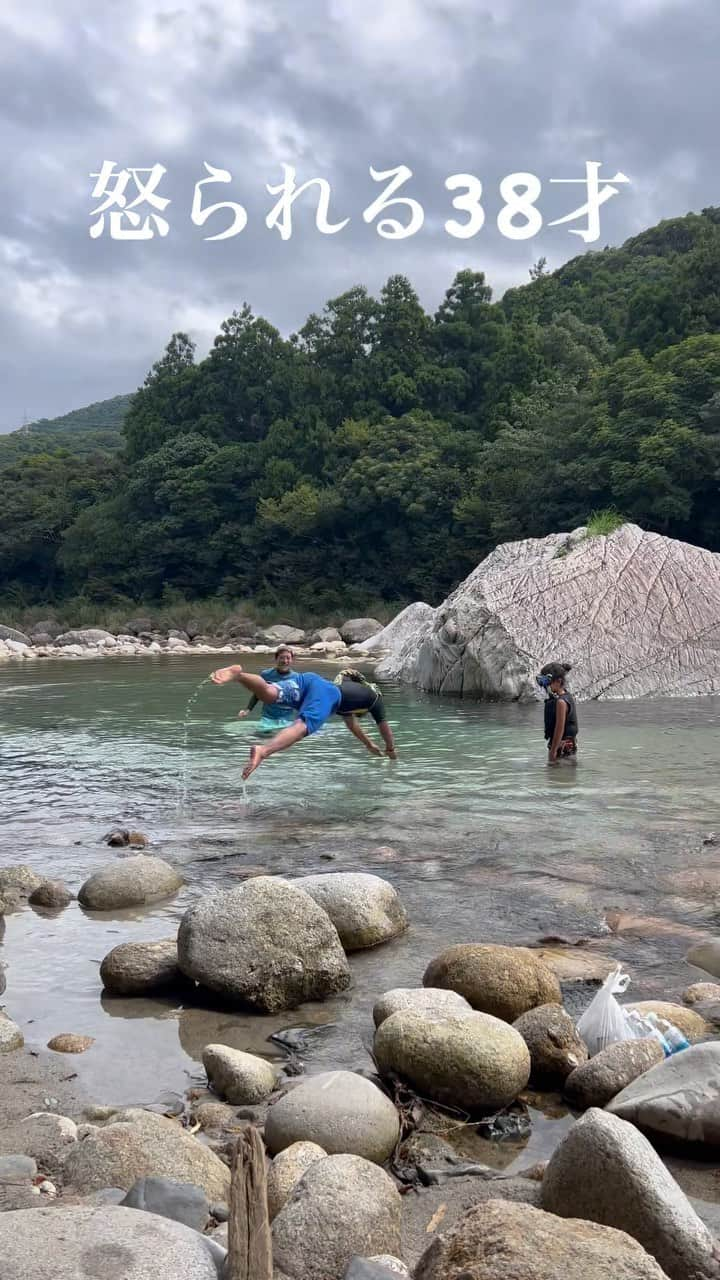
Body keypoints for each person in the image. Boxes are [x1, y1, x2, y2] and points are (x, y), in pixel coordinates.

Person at [211, 663, 397, 778]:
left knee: (269, 693)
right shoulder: (376, 700)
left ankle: (239, 675)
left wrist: (369, 744)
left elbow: (352, 725)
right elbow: (384, 728)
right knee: (303, 726)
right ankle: (263, 750)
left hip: (310, 680)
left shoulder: (353, 692)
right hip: (326, 694)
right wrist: (390, 749)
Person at [237, 645, 298, 733]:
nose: (285, 661)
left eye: (288, 658)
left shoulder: (297, 678)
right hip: (268, 718)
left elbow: (300, 698)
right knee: (264, 739)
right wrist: (248, 709)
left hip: (288, 719)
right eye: (282, 658)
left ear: (292, 660)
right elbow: (258, 693)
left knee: (283, 742)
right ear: (276, 659)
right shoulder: (266, 674)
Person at [536, 661, 578, 762]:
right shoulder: (565, 695)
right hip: (569, 745)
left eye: (548, 683)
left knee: (557, 773)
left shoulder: (561, 702)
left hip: (562, 746)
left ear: (558, 681)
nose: (545, 687)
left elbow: (559, 728)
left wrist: (553, 751)